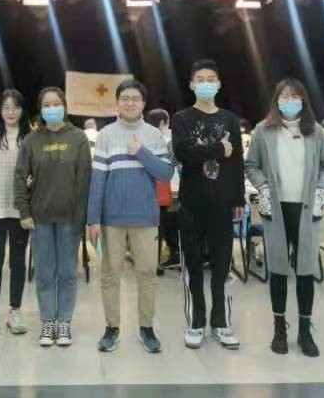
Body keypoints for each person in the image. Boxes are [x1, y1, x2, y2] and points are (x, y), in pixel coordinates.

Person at [245, 79, 324, 358]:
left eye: (295, 96)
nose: (290, 101)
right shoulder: (263, 130)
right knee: (278, 268)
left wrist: (322, 188)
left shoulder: (316, 131)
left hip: (307, 209)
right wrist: (263, 186)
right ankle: (279, 329)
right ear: (276, 100)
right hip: (276, 209)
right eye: (284, 96)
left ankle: (305, 331)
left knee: (305, 270)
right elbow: (252, 165)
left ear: (303, 100)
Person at [87, 80, 173, 354]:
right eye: (125, 98)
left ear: (143, 103)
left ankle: (146, 328)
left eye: (135, 98)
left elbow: (165, 173)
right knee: (110, 274)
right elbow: (98, 180)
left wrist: (142, 153)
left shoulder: (153, 135)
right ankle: (112, 327)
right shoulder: (106, 135)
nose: (130, 103)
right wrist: (93, 218)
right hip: (111, 219)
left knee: (146, 273)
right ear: (117, 102)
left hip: (145, 218)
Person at [172, 59, 245, 350]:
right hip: (191, 203)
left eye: (210, 79)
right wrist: (217, 149)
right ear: (192, 85)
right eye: (200, 79)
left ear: (218, 84)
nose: (206, 83)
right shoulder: (182, 118)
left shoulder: (229, 120)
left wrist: (238, 198)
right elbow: (183, 151)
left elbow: (236, 161)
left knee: (222, 266)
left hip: (223, 204)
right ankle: (196, 322)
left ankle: (221, 322)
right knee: (192, 266)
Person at [15, 87, 91, 348]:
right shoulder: (31, 141)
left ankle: (64, 322)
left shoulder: (78, 138)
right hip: (40, 219)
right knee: (45, 273)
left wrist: (82, 217)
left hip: (70, 218)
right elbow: (20, 177)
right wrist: (24, 211)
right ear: (41, 109)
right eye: (46, 105)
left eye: (56, 103)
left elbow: (84, 180)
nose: (52, 108)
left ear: (64, 106)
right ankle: (48, 321)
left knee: (68, 273)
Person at [0, 89, 31, 338]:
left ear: (22, 110)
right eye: (6, 107)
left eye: (15, 107)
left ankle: (15, 311)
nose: (11, 112)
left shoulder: (30, 139)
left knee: (18, 262)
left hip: (21, 210)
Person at [145, 108, 180, 270]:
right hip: (170, 187)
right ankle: (175, 252)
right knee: (171, 221)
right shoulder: (169, 140)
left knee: (156, 226)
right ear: (163, 122)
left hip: (149, 189)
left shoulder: (143, 139)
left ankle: (154, 258)